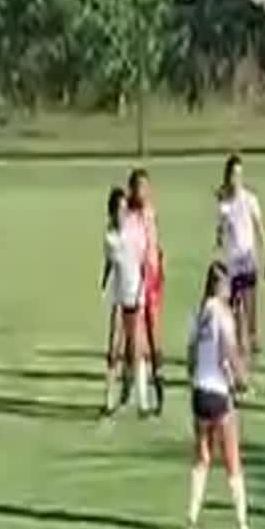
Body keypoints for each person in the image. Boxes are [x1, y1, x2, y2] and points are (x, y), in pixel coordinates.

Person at [186, 261, 251, 529]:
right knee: (232, 459)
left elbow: (191, 356)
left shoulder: (198, 313)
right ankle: (242, 524)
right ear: (220, 286)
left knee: (202, 459)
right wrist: (243, 379)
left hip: (199, 392)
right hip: (218, 393)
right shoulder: (222, 315)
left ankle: (191, 520)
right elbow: (229, 351)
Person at [215, 154, 265, 373]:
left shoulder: (250, 199)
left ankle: (251, 348)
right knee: (236, 316)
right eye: (232, 174)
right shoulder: (224, 205)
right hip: (233, 266)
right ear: (227, 176)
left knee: (250, 315)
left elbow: (260, 229)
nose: (236, 179)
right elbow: (221, 233)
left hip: (248, 262)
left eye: (239, 174)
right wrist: (220, 236)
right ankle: (240, 362)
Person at [101, 185, 148, 417]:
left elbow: (143, 260)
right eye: (117, 210)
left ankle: (143, 401)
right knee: (113, 348)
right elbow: (110, 262)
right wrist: (104, 282)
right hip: (119, 298)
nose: (121, 214)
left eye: (123, 209)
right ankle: (108, 399)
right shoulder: (109, 237)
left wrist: (144, 288)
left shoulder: (136, 230)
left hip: (135, 295)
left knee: (136, 348)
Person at [127, 167, 165, 414]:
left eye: (146, 187)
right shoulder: (128, 216)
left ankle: (159, 385)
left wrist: (158, 266)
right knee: (137, 338)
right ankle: (140, 392)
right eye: (139, 187)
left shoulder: (151, 213)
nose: (143, 192)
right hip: (135, 280)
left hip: (152, 279)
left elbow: (155, 244)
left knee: (154, 335)